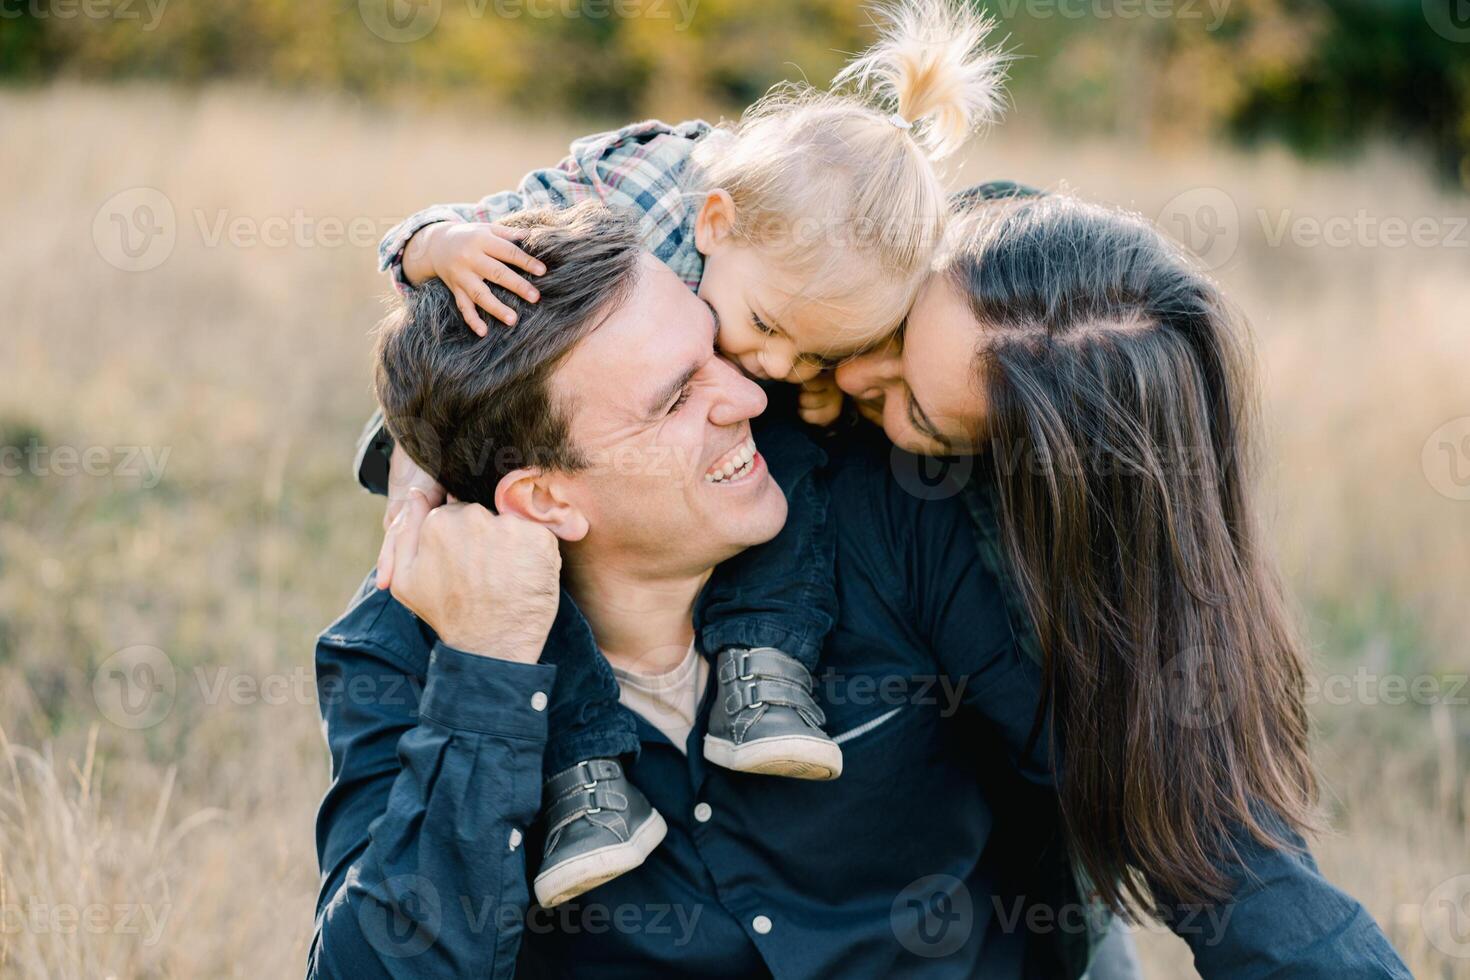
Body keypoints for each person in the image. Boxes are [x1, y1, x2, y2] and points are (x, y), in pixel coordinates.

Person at [310, 200, 1410, 978]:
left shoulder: (897, 515)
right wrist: (493, 668)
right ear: (545, 496)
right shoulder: (409, 644)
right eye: (675, 395)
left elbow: (1208, 844)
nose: (751, 395)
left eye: (716, 351)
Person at [355, 0, 1008, 907]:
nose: (769, 370)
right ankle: (582, 776)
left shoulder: (796, 284)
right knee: (535, 574)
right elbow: (447, 271)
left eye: (812, 354)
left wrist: (816, 381)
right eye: (772, 331)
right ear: (713, 222)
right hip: (505, 416)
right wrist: (442, 247)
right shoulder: (623, 195)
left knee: (796, 464)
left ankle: (763, 665)